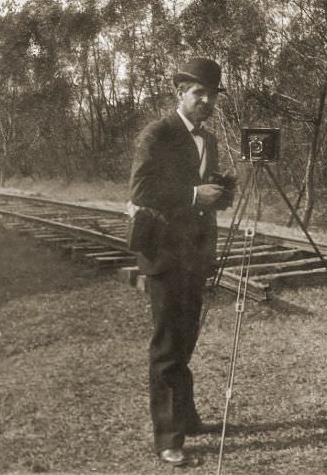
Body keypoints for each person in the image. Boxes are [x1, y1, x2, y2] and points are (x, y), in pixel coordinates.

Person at [127, 57, 233, 467]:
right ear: (180, 94)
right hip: (165, 253)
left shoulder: (209, 139)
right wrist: (193, 195)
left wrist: (220, 193)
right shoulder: (158, 133)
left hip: (196, 253)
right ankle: (168, 438)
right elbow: (141, 190)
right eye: (198, 93)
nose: (205, 101)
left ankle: (186, 419)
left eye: (211, 95)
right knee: (168, 346)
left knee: (186, 338)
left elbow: (206, 191)